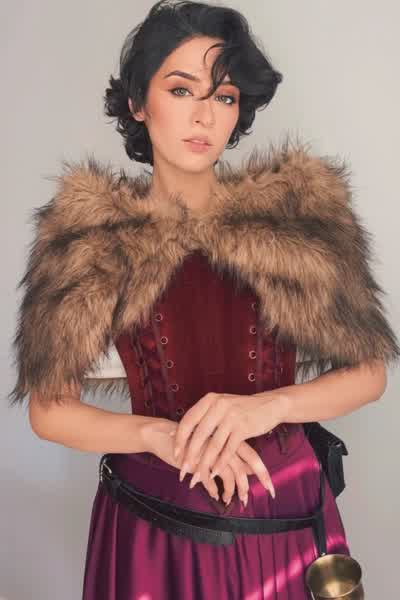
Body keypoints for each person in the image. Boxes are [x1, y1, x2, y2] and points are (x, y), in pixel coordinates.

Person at [7, 1, 399, 598]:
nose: (204, 116)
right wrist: (155, 436)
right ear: (138, 103)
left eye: (224, 96)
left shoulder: (300, 220)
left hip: (284, 503)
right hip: (155, 519)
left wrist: (267, 408)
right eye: (181, 89)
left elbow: (370, 373)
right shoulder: (88, 240)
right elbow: (48, 410)